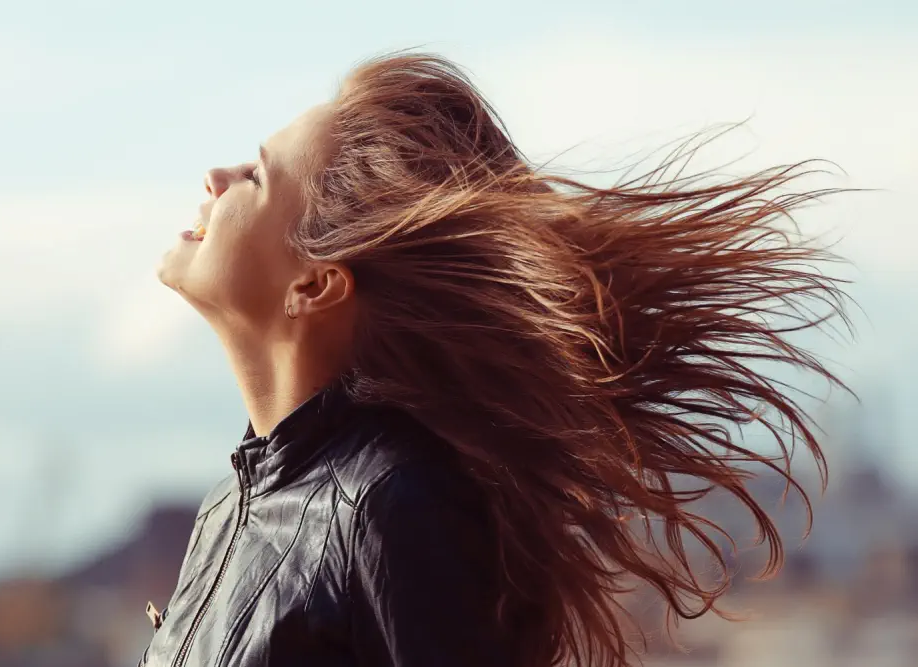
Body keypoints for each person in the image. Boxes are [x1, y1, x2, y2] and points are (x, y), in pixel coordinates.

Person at [143, 52, 848, 667]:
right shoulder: (228, 507)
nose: (215, 176)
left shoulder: (394, 504)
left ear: (316, 282)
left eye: (255, 177)